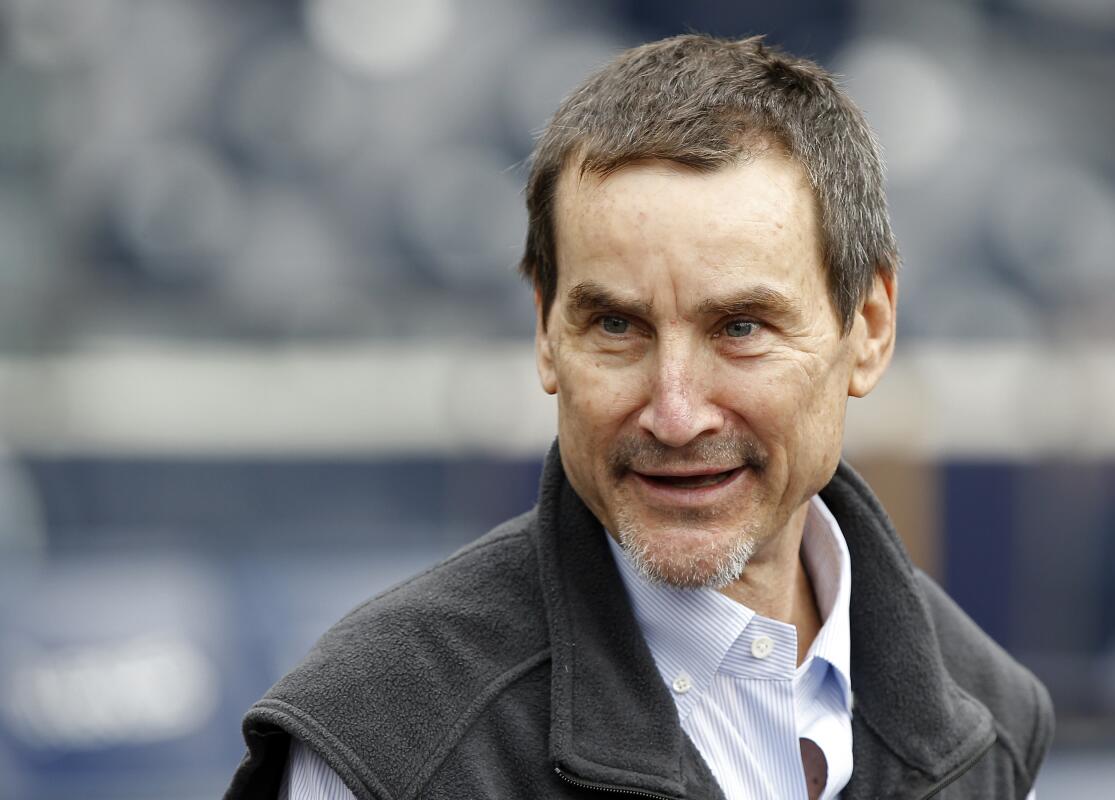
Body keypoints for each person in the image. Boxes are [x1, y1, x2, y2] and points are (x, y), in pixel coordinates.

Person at [225, 34, 1053, 800]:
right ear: (547, 332)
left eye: (740, 328)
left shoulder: (987, 718)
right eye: (617, 326)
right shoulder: (388, 746)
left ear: (868, 328)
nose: (675, 412)